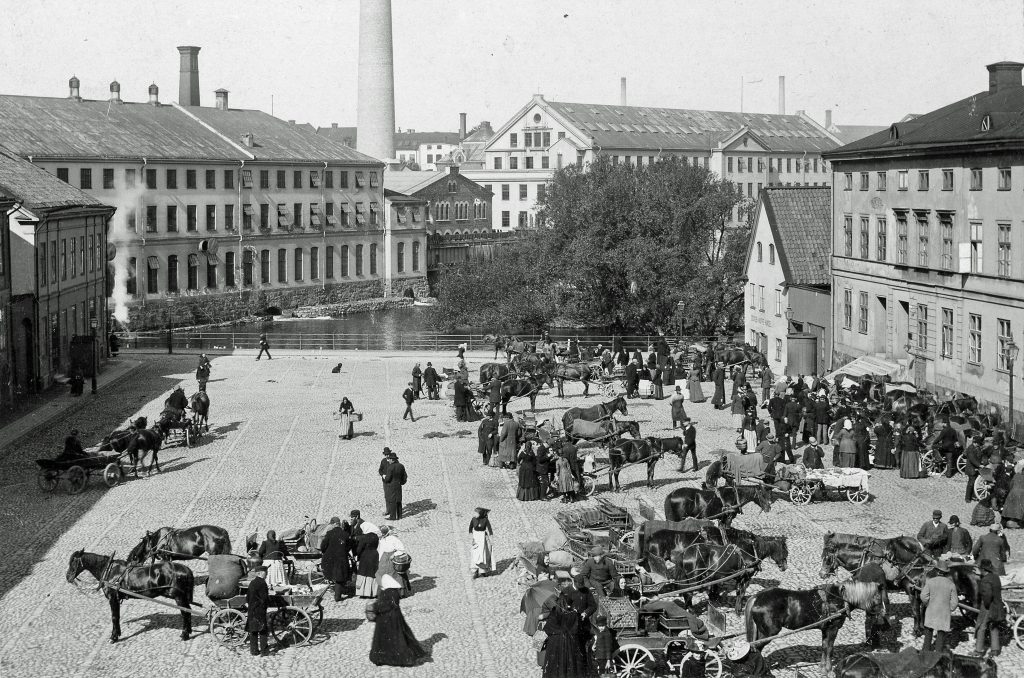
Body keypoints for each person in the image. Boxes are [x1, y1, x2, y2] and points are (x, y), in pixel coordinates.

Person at [369, 574, 428, 667]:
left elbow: (386, 605)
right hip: (394, 618)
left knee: (391, 638)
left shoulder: (388, 592)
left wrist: (375, 607)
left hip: (388, 619)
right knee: (397, 637)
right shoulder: (393, 591)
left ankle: (390, 658)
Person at [541, 588, 587, 678]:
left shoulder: (554, 613)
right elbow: (580, 630)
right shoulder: (574, 615)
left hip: (555, 646)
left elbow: (546, 630)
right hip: (571, 646)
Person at [920, 560, 958, 652]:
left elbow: (923, 596)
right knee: (941, 634)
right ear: (946, 573)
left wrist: (928, 604)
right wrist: (950, 608)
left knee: (928, 632)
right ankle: (938, 654)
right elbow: (955, 602)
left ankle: (925, 652)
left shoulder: (930, 582)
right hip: (944, 613)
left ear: (937, 571)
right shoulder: (951, 584)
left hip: (931, 610)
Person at [854, 560, 891, 649]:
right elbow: (883, 589)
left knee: (868, 618)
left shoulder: (863, 569)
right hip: (875, 599)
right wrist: (885, 604)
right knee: (876, 620)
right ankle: (875, 642)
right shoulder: (879, 572)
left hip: (865, 598)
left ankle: (868, 639)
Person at [975, 558, 1004, 657]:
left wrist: (985, 606)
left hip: (989, 606)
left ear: (983, 570)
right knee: (994, 626)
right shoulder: (995, 577)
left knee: (981, 627)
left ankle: (979, 651)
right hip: (998, 605)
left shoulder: (985, 580)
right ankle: (995, 650)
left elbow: (987, 596)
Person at [319, 517, 353, 602]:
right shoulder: (345, 534)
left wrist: (325, 551)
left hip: (329, 558)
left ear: (334, 524)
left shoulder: (329, 533)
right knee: (339, 576)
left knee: (332, 573)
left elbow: (323, 546)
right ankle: (338, 596)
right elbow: (349, 546)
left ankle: (335, 591)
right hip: (341, 558)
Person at [375, 526, 412, 597]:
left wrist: (394, 554)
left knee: (394, 575)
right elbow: (380, 550)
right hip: (383, 559)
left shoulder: (393, 539)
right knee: (382, 574)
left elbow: (401, 550)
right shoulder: (381, 540)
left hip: (392, 558)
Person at [246, 565, 271, 656]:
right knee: (263, 630)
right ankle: (264, 651)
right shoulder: (262, 583)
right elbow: (264, 598)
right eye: (265, 572)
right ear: (259, 573)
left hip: (252, 609)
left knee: (253, 630)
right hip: (260, 610)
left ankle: (254, 651)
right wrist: (266, 604)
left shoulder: (252, 582)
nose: (267, 574)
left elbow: (248, 597)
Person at [355, 527, 380, 598]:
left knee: (363, 572)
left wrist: (358, 555)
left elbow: (359, 549)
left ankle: (363, 592)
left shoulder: (364, 537)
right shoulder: (376, 537)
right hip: (374, 555)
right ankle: (372, 592)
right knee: (372, 573)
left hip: (365, 555)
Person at [469, 507, 494, 578]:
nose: (474, 514)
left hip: (483, 538)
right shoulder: (473, 519)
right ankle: (475, 571)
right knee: (475, 554)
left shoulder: (485, 520)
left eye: (476, 513)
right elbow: (470, 529)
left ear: (480, 514)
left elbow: (490, 529)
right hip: (476, 537)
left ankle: (483, 571)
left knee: (483, 554)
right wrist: (472, 538)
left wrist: (491, 539)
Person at [383, 453, 408, 520]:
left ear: (392, 459)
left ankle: (393, 516)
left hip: (391, 486)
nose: (388, 460)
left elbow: (388, 479)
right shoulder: (401, 466)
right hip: (398, 485)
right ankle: (399, 515)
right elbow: (404, 476)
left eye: (389, 459)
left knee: (392, 501)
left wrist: (384, 477)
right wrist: (402, 482)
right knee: (398, 500)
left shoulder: (390, 467)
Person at [1001, 461, 1024, 528]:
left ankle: (1005, 522)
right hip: (1022, 494)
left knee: (1009, 506)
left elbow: (1011, 485)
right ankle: (1019, 523)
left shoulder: (1016, 475)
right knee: (1020, 508)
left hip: (1013, 492)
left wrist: (1011, 491)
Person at [964, 434, 986, 502]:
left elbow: (981, 455)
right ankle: (967, 497)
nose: (979, 445)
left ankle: (973, 495)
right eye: (978, 443)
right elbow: (972, 459)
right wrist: (979, 465)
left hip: (976, 468)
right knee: (971, 483)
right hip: (971, 468)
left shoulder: (977, 447)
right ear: (975, 442)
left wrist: (983, 461)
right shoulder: (970, 449)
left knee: (975, 482)